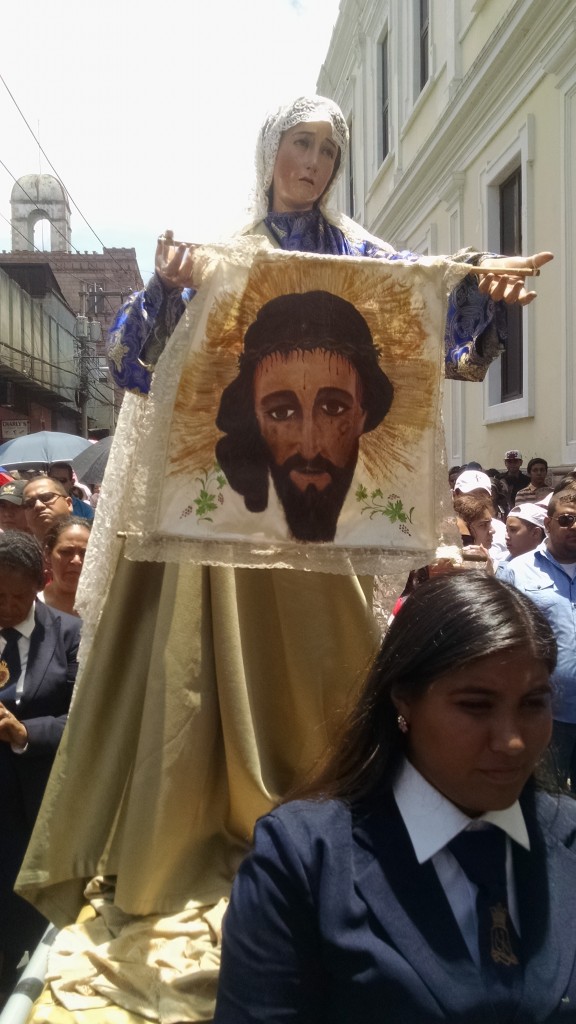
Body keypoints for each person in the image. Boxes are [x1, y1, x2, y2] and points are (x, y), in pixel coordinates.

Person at [17, 95, 554, 1022]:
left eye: (327, 149)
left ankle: (346, 836)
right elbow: (132, 364)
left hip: (329, 539)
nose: (313, 162)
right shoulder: (225, 255)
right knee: (203, 691)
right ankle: (194, 831)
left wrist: (478, 286)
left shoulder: (357, 255)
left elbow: (431, 313)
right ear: (272, 153)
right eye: (300, 144)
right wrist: (171, 287)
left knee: (343, 680)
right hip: (225, 542)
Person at [214, 572, 575, 1024]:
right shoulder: (304, 861)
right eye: (475, 706)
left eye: (533, 704)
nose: (512, 742)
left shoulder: (567, 836)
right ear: (404, 700)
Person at [216, 290, 393, 542]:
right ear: (255, 417)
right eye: (281, 412)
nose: (309, 449)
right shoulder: (227, 527)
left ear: (362, 415)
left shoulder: (386, 527)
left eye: (333, 409)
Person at [0, 531, 80, 999]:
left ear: (39, 585)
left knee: (24, 906)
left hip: (36, 796)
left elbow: (89, 716)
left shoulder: (70, 635)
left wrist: (26, 732)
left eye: (17, 595)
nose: (7, 605)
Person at [498, 483, 576, 789]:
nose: (574, 526)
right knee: (547, 804)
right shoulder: (517, 572)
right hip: (545, 717)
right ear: (547, 523)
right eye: (566, 519)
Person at [41, 517, 91, 617]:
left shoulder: (106, 610)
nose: (76, 561)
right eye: (66, 552)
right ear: (48, 554)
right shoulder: (31, 606)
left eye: (85, 553)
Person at [22, 476, 73, 543]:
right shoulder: (18, 552)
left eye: (46, 497)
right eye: (30, 503)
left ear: (68, 504)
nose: (38, 505)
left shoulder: (89, 543)